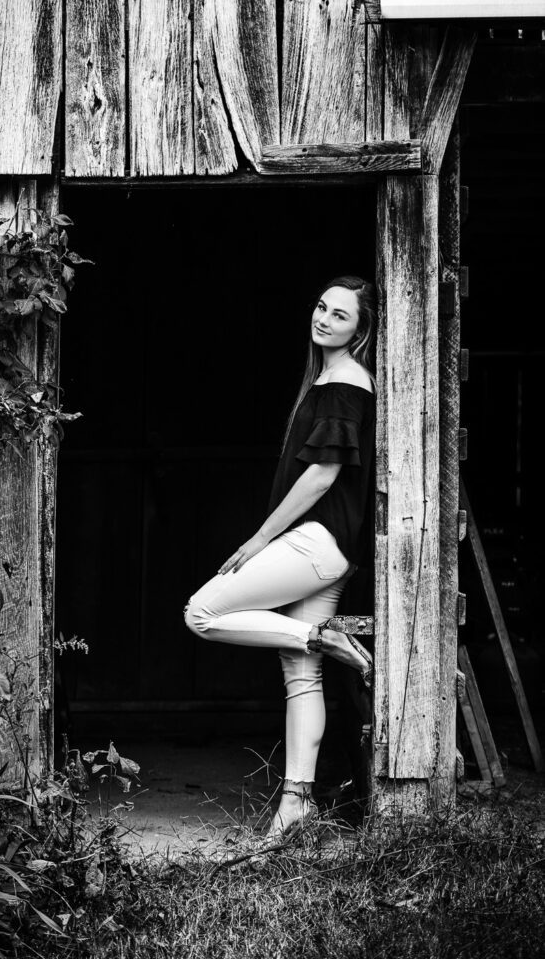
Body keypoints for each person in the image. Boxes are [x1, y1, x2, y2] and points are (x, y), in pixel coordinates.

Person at [183, 275, 376, 842]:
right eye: (321, 306)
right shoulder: (332, 380)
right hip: (332, 549)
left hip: (316, 542)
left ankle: (322, 636)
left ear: (360, 330)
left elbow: (322, 475)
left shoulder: (344, 384)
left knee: (202, 614)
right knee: (300, 676)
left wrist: (260, 539)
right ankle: (297, 802)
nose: (324, 319)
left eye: (340, 316)